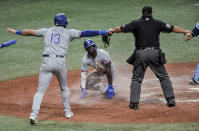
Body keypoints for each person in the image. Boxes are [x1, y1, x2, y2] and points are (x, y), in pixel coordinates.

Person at [7, 13, 112, 124]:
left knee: (40, 91)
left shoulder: (46, 31)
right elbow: (86, 33)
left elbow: (30, 32)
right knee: (64, 88)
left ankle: (33, 115)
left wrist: (16, 32)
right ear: (65, 22)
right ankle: (67, 112)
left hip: (46, 62)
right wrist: (102, 31)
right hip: (60, 62)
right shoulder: (69, 32)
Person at [109, 6, 191, 110]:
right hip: (154, 53)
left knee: (136, 79)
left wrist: (111, 31)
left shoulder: (136, 23)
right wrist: (184, 31)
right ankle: (171, 100)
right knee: (163, 76)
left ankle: (134, 104)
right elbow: (172, 28)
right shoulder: (157, 23)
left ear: (142, 13)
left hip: (140, 54)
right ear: (151, 13)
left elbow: (120, 28)